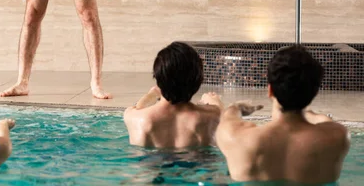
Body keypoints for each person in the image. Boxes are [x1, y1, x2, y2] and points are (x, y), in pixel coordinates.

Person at [214, 45, 351, 184]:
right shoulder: (337, 137)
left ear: (270, 90)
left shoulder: (236, 137)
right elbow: (325, 121)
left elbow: (228, 116)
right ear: (314, 92)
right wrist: (307, 113)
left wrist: (237, 107)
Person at [123, 42, 223, 148]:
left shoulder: (134, 118)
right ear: (198, 80)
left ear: (158, 78)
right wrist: (213, 100)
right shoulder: (212, 116)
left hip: (153, 162)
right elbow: (222, 112)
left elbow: (139, 107)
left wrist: (151, 95)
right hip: (196, 162)